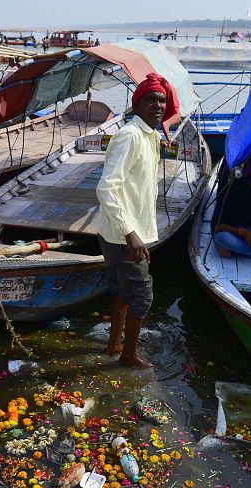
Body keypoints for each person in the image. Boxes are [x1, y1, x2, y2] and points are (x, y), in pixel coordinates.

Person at [96, 72, 179, 369]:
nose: (158, 105)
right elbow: (106, 188)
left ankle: (114, 343)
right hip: (123, 234)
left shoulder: (150, 135)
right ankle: (128, 356)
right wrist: (131, 233)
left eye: (162, 100)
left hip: (120, 230)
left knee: (122, 290)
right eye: (151, 100)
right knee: (142, 296)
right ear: (137, 104)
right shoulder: (130, 136)